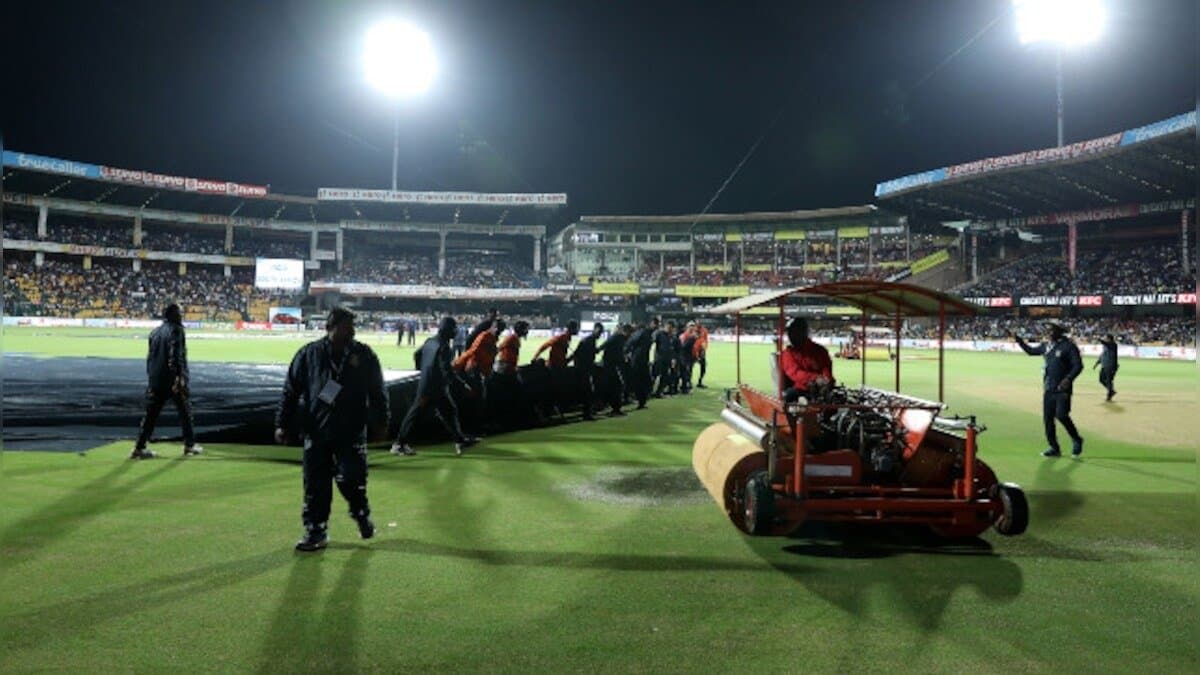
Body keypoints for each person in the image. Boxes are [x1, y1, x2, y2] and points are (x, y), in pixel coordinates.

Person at [275, 307, 390, 552]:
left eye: (353, 327)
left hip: (351, 430)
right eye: (347, 327)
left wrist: (381, 422)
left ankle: (360, 513)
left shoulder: (364, 355)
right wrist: (282, 424)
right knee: (315, 484)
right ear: (331, 327)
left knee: (350, 479)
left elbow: (378, 392)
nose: (352, 332)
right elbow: (290, 391)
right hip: (316, 429)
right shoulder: (309, 354)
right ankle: (316, 531)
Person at [391, 317, 479, 457]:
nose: (456, 331)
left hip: (430, 385)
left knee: (449, 411)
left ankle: (459, 440)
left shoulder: (430, 341)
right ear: (448, 330)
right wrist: (463, 386)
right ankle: (399, 444)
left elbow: (417, 355)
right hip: (433, 387)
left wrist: (424, 370)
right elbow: (447, 372)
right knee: (416, 414)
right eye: (454, 329)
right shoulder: (444, 347)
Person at [132, 303, 202, 459]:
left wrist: (151, 378)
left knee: (151, 415)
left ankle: (139, 447)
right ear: (173, 315)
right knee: (185, 412)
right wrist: (180, 377)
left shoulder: (155, 332)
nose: (181, 316)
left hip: (156, 380)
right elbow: (176, 355)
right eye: (179, 313)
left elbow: (150, 358)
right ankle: (189, 445)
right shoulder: (177, 330)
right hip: (172, 380)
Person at [1014, 322, 1084, 458]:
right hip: (1049, 388)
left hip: (1063, 389)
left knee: (1062, 415)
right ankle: (1054, 447)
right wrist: (1019, 340)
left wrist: (1068, 379)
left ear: (1059, 331)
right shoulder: (1046, 346)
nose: (1048, 333)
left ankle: (1076, 439)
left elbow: (1078, 366)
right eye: (1047, 330)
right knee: (1048, 420)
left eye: (1051, 330)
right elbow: (1031, 351)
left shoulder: (1068, 347)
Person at [779, 317, 834, 403]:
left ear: (804, 332)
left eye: (795, 331)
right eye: (790, 332)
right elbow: (795, 373)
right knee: (790, 395)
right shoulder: (787, 354)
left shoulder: (820, 350)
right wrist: (815, 378)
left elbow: (826, 367)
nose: (791, 335)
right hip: (800, 389)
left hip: (823, 389)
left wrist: (826, 380)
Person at [566, 322, 603, 421]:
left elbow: (577, 353)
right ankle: (587, 414)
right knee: (588, 391)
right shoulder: (589, 340)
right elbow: (578, 353)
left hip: (582, 368)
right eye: (600, 332)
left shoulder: (589, 340)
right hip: (584, 369)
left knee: (587, 391)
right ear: (596, 330)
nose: (600, 335)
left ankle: (588, 412)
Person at [598, 323, 631, 416]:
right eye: (629, 333)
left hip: (612, 365)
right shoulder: (617, 337)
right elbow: (605, 344)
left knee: (615, 386)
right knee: (616, 386)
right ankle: (614, 408)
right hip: (610, 366)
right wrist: (597, 350)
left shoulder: (620, 338)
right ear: (626, 331)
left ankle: (613, 408)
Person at [624, 318, 657, 409]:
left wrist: (626, 351)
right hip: (641, 360)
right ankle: (640, 401)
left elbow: (631, 342)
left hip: (639, 361)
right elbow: (633, 342)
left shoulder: (643, 333)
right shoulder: (645, 333)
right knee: (641, 381)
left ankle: (638, 400)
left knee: (639, 381)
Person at [652, 320, 677, 397]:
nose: (670, 329)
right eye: (668, 327)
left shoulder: (672, 336)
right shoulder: (658, 334)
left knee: (664, 376)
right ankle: (648, 391)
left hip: (667, 359)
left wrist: (673, 359)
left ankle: (659, 392)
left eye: (671, 328)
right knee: (654, 375)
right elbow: (653, 345)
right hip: (659, 358)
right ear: (665, 326)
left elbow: (672, 349)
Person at [1094, 333, 1119, 401]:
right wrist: (1097, 363)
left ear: (1109, 338)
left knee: (1109, 381)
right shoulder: (1105, 346)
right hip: (1104, 365)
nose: (1104, 338)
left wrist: (1099, 339)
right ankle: (1111, 390)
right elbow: (1103, 355)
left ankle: (1109, 394)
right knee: (1101, 379)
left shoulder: (1113, 344)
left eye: (1105, 337)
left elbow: (1105, 343)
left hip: (1111, 365)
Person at [693, 321, 709, 388]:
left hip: (701, 351)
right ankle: (686, 382)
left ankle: (700, 382)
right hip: (693, 351)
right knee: (688, 368)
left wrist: (704, 349)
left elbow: (705, 340)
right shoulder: (693, 330)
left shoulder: (704, 330)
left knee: (703, 367)